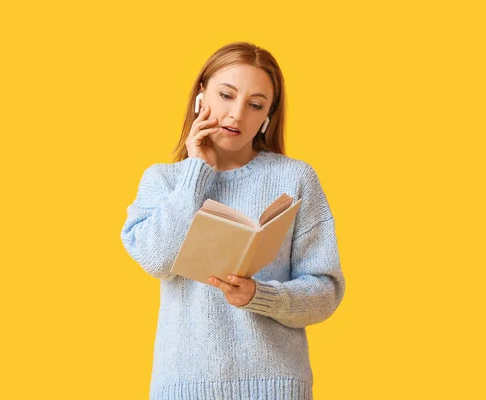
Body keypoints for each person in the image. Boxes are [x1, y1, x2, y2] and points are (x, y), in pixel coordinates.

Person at [120, 41, 346, 400]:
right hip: (184, 387)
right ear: (200, 96)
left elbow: (326, 292)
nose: (236, 115)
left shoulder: (296, 178)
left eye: (255, 105)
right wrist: (197, 171)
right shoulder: (163, 180)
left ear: (268, 116)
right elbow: (157, 259)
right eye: (226, 95)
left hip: (277, 388)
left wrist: (262, 295)